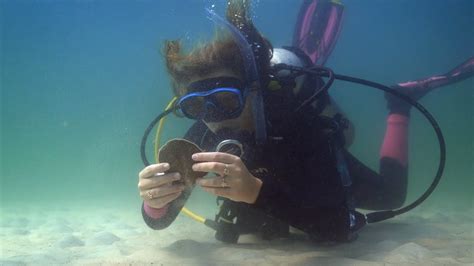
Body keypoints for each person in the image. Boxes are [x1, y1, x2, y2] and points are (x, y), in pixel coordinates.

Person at [137, 0, 472, 242]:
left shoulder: (299, 125)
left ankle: (399, 104)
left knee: (391, 197)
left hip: (314, 171)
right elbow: (159, 222)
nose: (213, 119)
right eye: (197, 107)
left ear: (254, 93)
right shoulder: (203, 134)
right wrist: (155, 203)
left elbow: (339, 225)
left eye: (227, 100)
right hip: (285, 201)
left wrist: (256, 192)